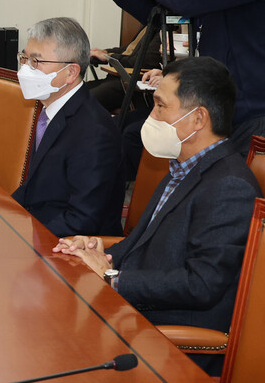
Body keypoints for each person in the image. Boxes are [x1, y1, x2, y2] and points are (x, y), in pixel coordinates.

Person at [53, 56, 261, 376]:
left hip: (173, 345)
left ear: (198, 119)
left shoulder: (229, 187)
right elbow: (142, 242)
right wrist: (98, 252)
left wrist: (112, 278)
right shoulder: (182, 167)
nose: (151, 115)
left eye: (161, 105)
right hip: (138, 316)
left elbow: (202, 284)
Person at [95, 0, 265, 156]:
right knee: (128, 132)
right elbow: (165, 16)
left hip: (250, 114)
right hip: (214, 106)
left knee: (228, 186)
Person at [11, 17, 124, 238]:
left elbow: (82, 220)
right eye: (24, 58)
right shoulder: (51, 109)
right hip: (40, 227)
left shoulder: (94, 132)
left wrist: (22, 238)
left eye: (36, 61)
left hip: (70, 250)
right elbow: (34, 187)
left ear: (71, 72)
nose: (25, 69)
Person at [86, 26, 161, 113]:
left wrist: (109, 56)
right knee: (75, 93)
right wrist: (104, 52)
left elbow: (145, 62)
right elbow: (129, 49)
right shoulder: (149, 23)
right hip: (116, 79)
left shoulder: (163, 27)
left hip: (130, 85)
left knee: (84, 100)